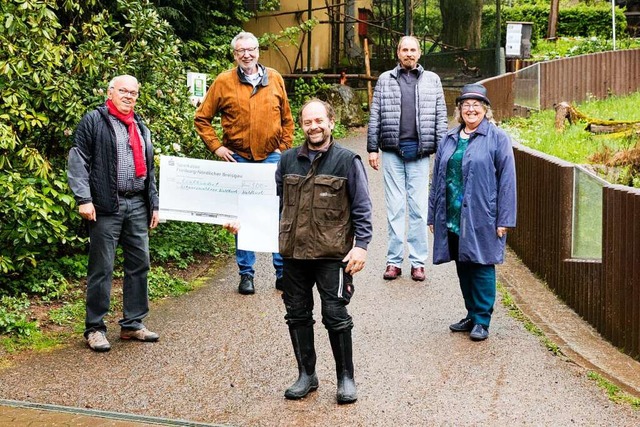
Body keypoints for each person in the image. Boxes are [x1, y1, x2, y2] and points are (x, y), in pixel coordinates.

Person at [276, 99, 373, 404]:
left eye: (319, 121)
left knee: (335, 315)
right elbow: (271, 205)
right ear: (301, 126)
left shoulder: (347, 160)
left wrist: (361, 245)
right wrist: (244, 224)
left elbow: (362, 206)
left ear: (331, 122)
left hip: (333, 254)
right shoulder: (287, 160)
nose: (314, 127)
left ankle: (346, 378)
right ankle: (307, 375)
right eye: (308, 122)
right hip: (293, 255)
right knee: (297, 315)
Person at [195, 31, 294, 295]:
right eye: (241, 51)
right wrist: (217, 147)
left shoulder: (275, 78)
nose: (247, 55)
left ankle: (282, 272)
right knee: (243, 217)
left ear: (258, 51)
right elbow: (201, 118)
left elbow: (287, 118)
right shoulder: (223, 82)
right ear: (235, 55)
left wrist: (284, 148)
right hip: (238, 158)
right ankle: (246, 274)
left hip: (272, 156)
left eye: (251, 50)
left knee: (277, 214)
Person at [67, 74, 160, 352]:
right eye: (123, 91)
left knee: (139, 264)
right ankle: (94, 328)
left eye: (133, 92)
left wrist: (154, 203)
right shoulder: (94, 121)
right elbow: (78, 160)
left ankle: (132, 324)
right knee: (102, 268)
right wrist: (83, 198)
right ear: (111, 92)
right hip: (107, 205)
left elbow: (150, 168)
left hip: (138, 205)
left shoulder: (141, 126)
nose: (129, 96)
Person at [427, 83, 517, 341]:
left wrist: (505, 219)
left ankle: (482, 320)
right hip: (453, 214)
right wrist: (433, 214)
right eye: (466, 105)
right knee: (463, 264)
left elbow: (508, 181)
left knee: (481, 264)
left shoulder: (497, 138)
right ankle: (471, 313)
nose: (470, 109)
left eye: (476, 105)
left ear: (485, 110)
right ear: (459, 111)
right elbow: (437, 178)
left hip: (482, 214)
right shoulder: (450, 138)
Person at [367, 35, 447, 282]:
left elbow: (441, 117)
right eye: (405, 49)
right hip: (392, 152)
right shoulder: (384, 80)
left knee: (419, 210)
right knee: (394, 209)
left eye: (413, 49)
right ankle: (393, 261)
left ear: (419, 53)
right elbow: (375, 115)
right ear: (398, 53)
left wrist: (443, 152)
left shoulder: (432, 80)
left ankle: (417, 262)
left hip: (420, 154)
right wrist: (372, 148)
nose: (409, 53)